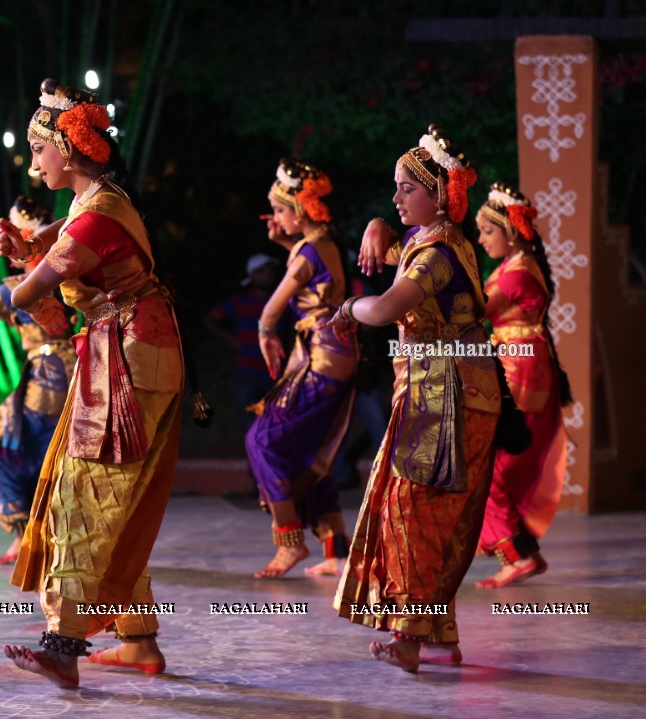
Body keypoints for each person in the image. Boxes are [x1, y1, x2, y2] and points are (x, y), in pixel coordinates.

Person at [0, 78, 184, 688]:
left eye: (38, 149)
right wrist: (32, 250)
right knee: (112, 499)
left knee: (83, 496)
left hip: (129, 357)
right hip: (132, 350)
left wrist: (24, 270)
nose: (33, 161)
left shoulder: (94, 217)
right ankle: (138, 642)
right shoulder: (92, 205)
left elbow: (27, 294)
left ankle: (63, 642)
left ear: (69, 150)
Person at [330, 125, 500, 674]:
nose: (397, 198)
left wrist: (348, 309)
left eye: (407, 189)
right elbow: (399, 240)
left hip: (444, 393)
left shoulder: (437, 254)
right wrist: (379, 226)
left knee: (412, 510)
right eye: (396, 188)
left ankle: (408, 635)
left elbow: (383, 311)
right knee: (433, 513)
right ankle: (438, 633)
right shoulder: (433, 241)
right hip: (446, 389)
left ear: (436, 195)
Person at [247, 160, 359, 578]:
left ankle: (289, 537)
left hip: (322, 360)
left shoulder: (309, 251)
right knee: (308, 450)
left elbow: (272, 309)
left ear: (299, 209)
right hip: (333, 356)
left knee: (261, 440)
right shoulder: (319, 241)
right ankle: (335, 549)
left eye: (278, 209)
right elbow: (312, 274)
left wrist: (265, 332)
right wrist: (283, 243)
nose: (274, 218)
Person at [0, 196, 78, 567]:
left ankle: (25, 536)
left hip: (46, 380)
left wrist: (12, 311)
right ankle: (49, 538)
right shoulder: (71, 273)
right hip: (81, 374)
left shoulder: (18, 285)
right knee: (55, 455)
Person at [474, 182, 571, 588]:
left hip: (522, 376)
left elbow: (472, 310)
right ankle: (523, 552)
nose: (480, 239)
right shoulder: (516, 266)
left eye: (486, 231)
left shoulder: (514, 276)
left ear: (510, 232)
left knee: (492, 470)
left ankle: (516, 556)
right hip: (522, 371)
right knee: (499, 470)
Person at [203, 253, 280, 437]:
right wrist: (233, 341)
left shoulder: (279, 301)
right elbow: (210, 319)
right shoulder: (239, 301)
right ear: (251, 276)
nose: (267, 275)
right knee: (252, 427)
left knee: (276, 426)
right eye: (262, 271)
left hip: (275, 373)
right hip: (247, 374)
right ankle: (256, 466)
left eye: (269, 270)